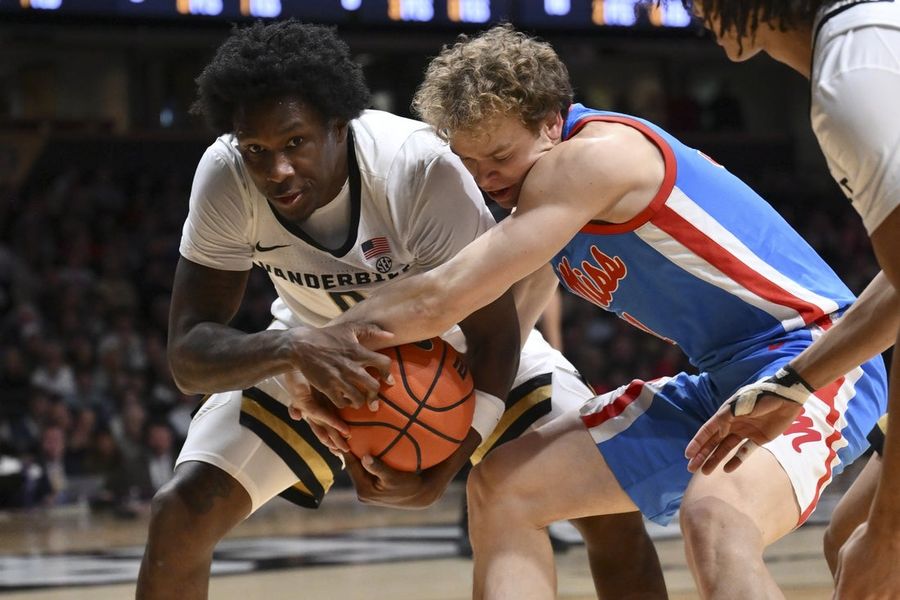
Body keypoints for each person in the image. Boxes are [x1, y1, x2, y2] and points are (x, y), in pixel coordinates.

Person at [327, 25, 888, 598]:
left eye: (499, 155)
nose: (485, 179)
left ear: (552, 123)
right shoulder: (540, 198)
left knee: (716, 518)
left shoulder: (592, 159)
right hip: (722, 380)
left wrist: (311, 350)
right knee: (502, 488)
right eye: (468, 162)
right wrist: (458, 437)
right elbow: (504, 330)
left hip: (817, 356)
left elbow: (441, 296)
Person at [136, 20, 666, 600]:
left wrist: (453, 459)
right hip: (313, 350)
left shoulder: (415, 167)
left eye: (294, 143)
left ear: (338, 126)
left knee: (611, 509)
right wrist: (290, 348)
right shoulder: (226, 176)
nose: (275, 170)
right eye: (257, 149)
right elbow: (188, 355)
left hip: (467, 348)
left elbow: (492, 333)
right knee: (181, 512)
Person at [684, 2, 900, 597]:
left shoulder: (853, 80)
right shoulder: (860, 42)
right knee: (848, 534)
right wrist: (795, 383)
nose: (689, 10)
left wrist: (891, 537)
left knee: (872, 545)